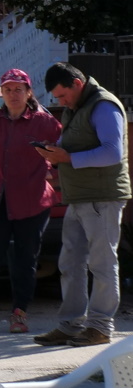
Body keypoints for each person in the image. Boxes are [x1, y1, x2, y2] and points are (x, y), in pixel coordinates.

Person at [0, 69, 63, 336]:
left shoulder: (45, 122)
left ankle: (19, 313)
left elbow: (64, 149)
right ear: (1, 94)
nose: (13, 94)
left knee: (26, 260)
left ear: (29, 92)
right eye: (7, 90)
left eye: (18, 89)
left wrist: (52, 169)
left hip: (33, 202)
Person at [32, 61, 128, 347]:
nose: (61, 103)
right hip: (79, 198)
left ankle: (100, 327)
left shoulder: (104, 106)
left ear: (77, 84)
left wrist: (67, 159)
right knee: (70, 263)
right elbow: (73, 146)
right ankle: (71, 325)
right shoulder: (78, 107)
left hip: (102, 198)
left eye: (62, 96)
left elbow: (113, 152)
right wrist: (55, 157)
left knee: (102, 263)